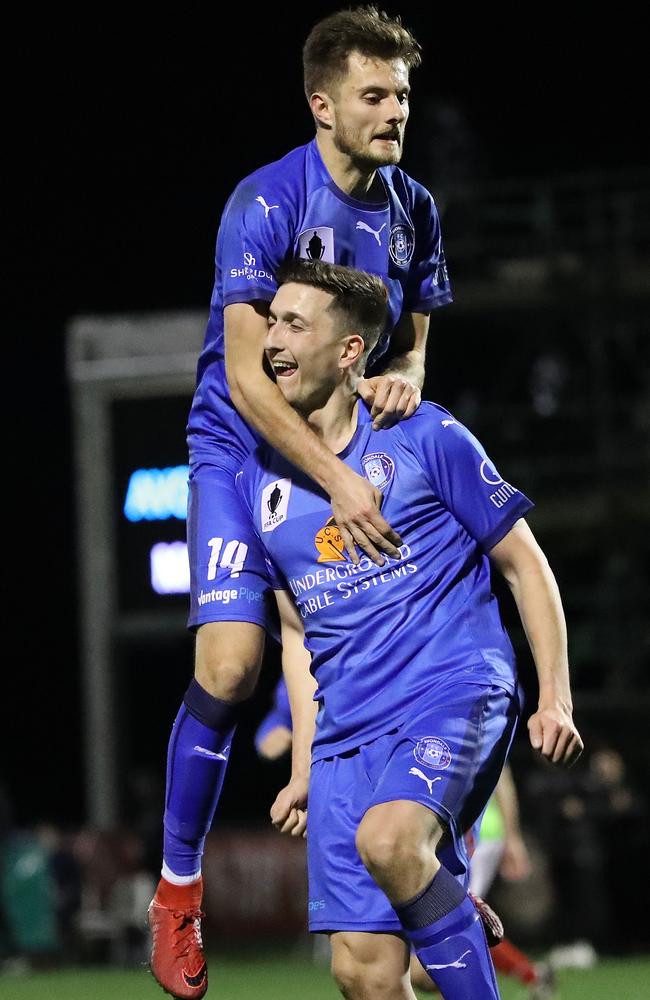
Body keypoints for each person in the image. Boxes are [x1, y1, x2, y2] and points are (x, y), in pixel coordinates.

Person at [148, 7, 453, 999]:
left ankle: (413, 865)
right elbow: (244, 378)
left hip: (343, 456)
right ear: (321, 104)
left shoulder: (414, 208)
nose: (394, 112)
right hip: (243, 452)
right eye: (375, 94)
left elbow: (408, 332)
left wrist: (403, 373)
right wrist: (336, 478)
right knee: (232, 665)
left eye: (401, 95)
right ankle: (178, 889)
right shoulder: (263, 203)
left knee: (395, 648)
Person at [238, 260, 583, 999]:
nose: (272, 339)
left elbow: (526, 565)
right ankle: (449, 909)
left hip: (451, 689)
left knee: (390, 842)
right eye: (271, 321)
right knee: (363, 973)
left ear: (350, 351)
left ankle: (446, 908)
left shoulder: (424, 434)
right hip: (343, 740)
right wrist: (304, 763)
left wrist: (554, 695)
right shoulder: (260, 481)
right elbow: (297, 637)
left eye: (295, 323)